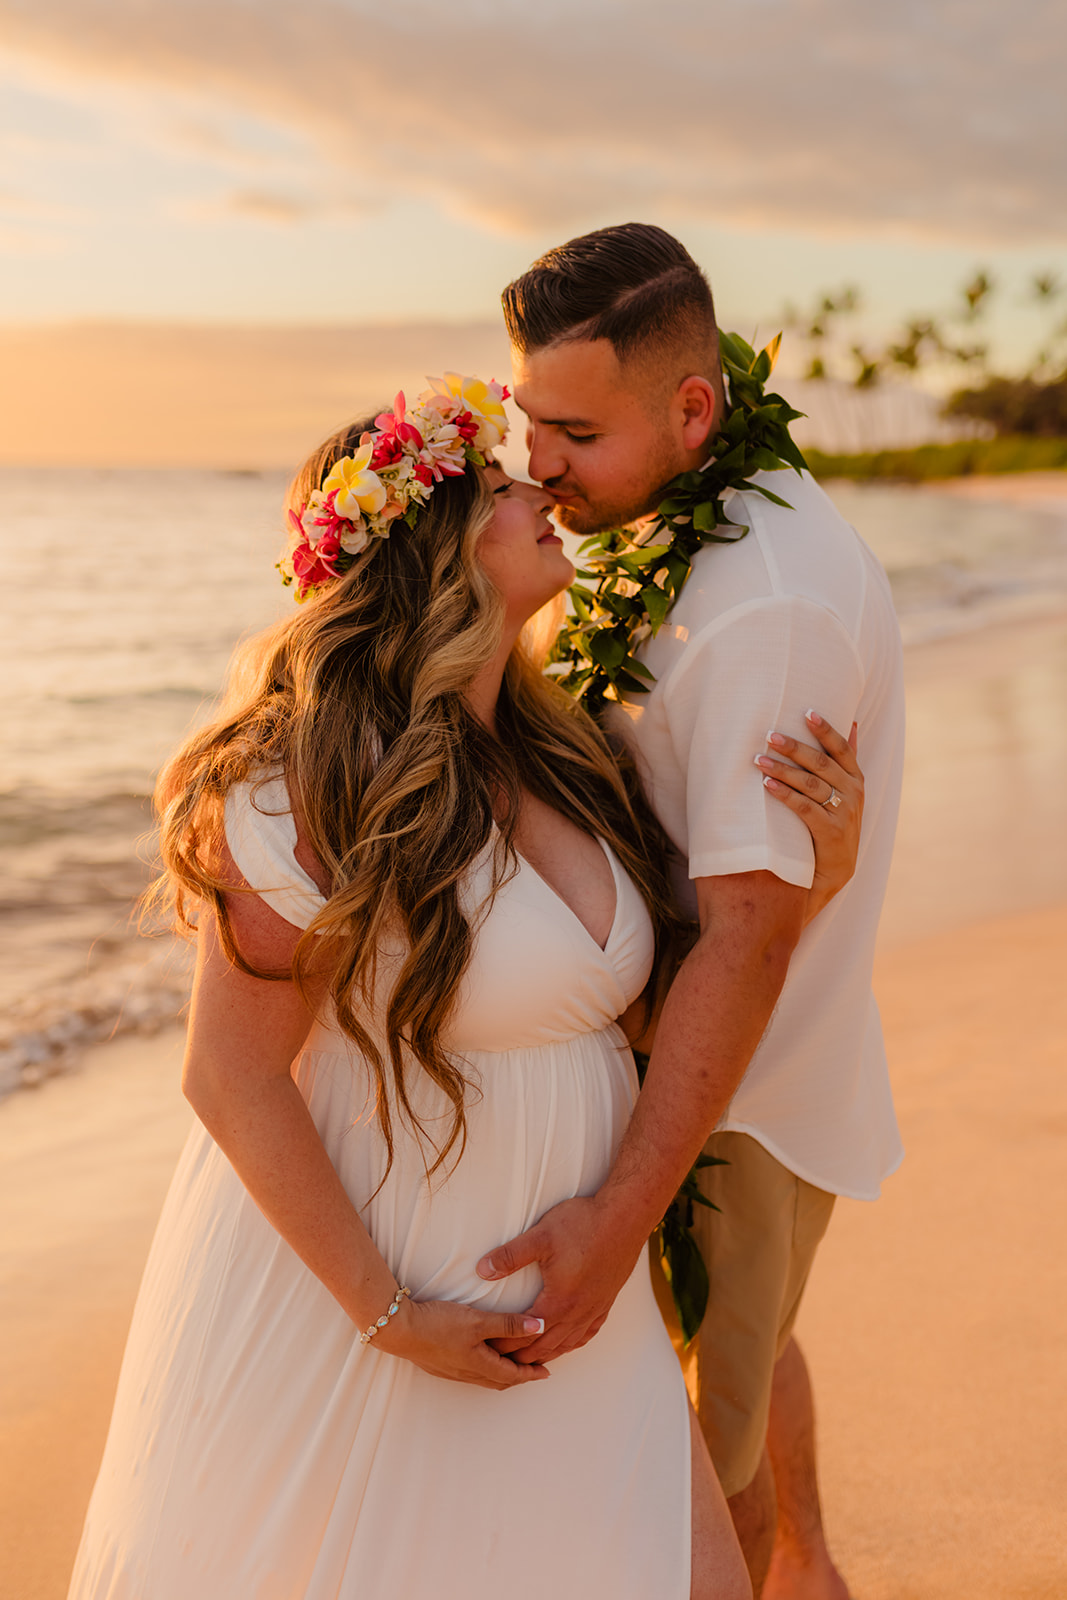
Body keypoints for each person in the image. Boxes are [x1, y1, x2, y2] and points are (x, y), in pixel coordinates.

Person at [67, 375, 859, 1600]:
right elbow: (226, 1072)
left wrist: (813, 877)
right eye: (496, 487)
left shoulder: (571, 752)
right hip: (390, 1298)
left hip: (576, 1289)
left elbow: (643, 1015)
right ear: (426, 547)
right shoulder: (303, 777)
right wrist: (390, 1314)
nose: (539, 488)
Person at [478, 225, 905, 1600]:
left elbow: (745, 936)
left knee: (694, 1443)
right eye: (523, 417)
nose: (534, 461)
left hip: (730, 1094)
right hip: (706, 1064)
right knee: (746, 1341)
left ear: (691, 410)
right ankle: (808, 1568)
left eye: (571, 431)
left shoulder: (758, 605)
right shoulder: (662, 513)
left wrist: (612, 1217)